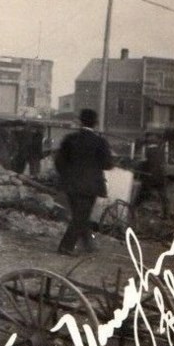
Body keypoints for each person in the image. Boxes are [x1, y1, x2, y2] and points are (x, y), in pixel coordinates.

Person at [54, 108, 114, 256]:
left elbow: (58, 161)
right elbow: (108, 164)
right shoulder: (100, 141)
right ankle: (66, 247)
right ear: (95, 123)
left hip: (70, 185)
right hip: (90, 186)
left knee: (80, 215)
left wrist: (67, 176)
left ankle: (88, 244)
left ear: (80, 121)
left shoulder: (70, 139)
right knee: (80, 216)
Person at [134, 131, 169, 219]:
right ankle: (165, 214)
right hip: (159, 177)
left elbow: (143, 164)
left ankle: (133, 210)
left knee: (141, 197)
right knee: (163, 196)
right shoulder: (160, 150)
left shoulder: (148, 151)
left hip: (149, 178)